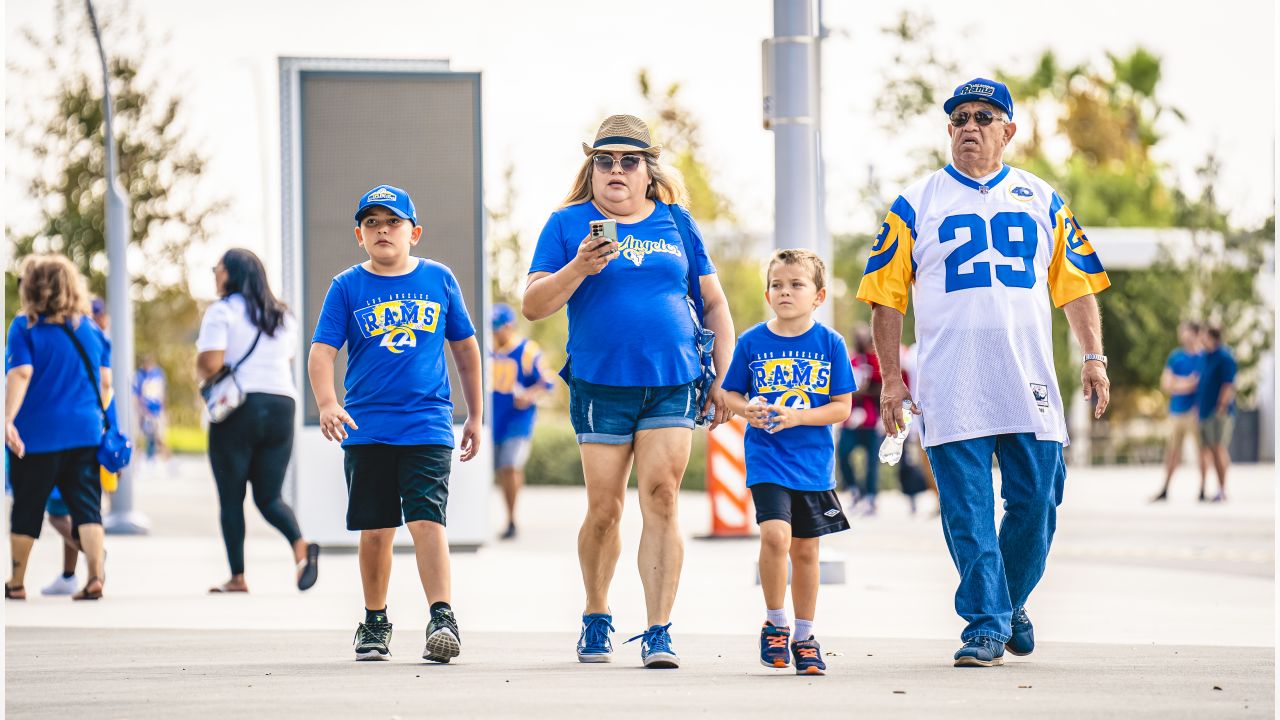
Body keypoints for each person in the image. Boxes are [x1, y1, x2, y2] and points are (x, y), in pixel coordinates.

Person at [856, 78, 1112, 667]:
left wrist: (1093, 357)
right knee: (967, 511)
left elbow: (1073, 287)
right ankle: (985, 626)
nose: (969, 127)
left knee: (1039, 500)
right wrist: (893, 380)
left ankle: (1006, 599)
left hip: (1030, 380)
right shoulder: (915, 202)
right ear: (949, 131)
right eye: (959, 119)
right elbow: (886, 299)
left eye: (982, 117)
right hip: (952, 380)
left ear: (1008, 130)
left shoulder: (1042, 198)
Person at [522, 115, 735, 668]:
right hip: (600, 383)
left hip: (673, 379)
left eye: (629, 161)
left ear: (647, 171)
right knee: (604, 510)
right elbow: (534, 304)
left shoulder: (676, 222)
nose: (616, 170)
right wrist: (578, 268)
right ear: (592, 169)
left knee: (662, 497)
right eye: (605, 160)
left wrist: (723, 377)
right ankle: (596, 613)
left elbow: (715, 304)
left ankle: (659, 630)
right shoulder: (567, 224)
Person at [309, 184, 483, 664]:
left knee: (428, 519)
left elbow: (466, 351)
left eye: (393, 222)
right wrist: (327, 403)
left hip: (427, 423)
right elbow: (322, 352)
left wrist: (475, 415)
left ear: (415, 232)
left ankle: (442, 616)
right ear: (359, 236)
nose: (382, 230)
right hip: (366, 427)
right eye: (372, 223)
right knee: (377, 528)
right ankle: (375, 620)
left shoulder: (439, 279)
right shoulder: (346, 286)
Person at [721, 249, 854, 676]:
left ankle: (804, 635)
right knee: (776, 537)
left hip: (813, 464)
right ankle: (775, 624)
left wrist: (799, 416)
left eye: (796, 285)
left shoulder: (829, 343)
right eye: (778, 284)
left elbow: (841, 408)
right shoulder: (752, 342)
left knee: (807, 550)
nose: (785, 292)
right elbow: (730, 394)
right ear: (767, 292)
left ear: (818, 296)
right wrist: (747, 410)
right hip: (767, 458)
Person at [197, 248, 319, 595]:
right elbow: (287, 356)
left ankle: (237, 576)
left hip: (240, 407)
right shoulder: (283, 316)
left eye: (216, 269)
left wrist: (203, 373)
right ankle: (300, 545)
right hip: (282, 404)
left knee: (231, 497)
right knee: (269, 496)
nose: (214, 274)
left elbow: (210, 363)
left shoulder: (221, 312)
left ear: (231, 274)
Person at [5, 254, 111, 601]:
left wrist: (7, 419)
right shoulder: (92, 330)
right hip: (84, 433)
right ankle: (95, 576)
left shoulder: (25, 327)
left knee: (28, 507)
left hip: (36, 436)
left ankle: (17, 583)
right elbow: (106, 384)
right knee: (86, 507)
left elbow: (21, 373)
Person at [490, 303, 555, 540]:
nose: (496, 332)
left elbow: (548, 382)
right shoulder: (488, 352)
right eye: (492, 327)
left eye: (499, 326)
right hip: (495, 421)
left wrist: (529, 395)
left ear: (510, 326)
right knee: (499, 470)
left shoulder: (527, 350)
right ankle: (505, 515)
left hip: (518, 420)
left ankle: (511, 519)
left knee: (509, 464)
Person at [1152, 322, 1204, 502]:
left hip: (1196, 413)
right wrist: (1187, 383)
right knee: (1172, 452)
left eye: (1186, 332)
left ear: (1195, 333)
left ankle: (1203, 490)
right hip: (1176, 412)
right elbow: (1166, 384)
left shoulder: (1203, 357)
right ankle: (1165, 489)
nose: (1182, 335)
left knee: (1201, 452)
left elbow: (1199, 383)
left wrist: (1178, 383)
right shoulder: (1175, 356)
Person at [837, 325, 881, 515]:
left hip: (871, 420)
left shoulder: (876, 361)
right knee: (843, 453)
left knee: (872, 461)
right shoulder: (851, 361)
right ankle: (854, 490)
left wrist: (866, 390)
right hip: (851, 419)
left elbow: (882, 387)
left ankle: (870, 496)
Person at [1196, 325, 1236, 502]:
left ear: (1211, 336)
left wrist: (1221, 407)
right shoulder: (1205, 356)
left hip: (1218, 411)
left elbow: (1228, 384)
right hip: (1204, 411)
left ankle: (1222, 489)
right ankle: (1211, 488)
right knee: (1209, 449)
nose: (1201, 338)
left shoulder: (1225, 356)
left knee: (1219, 448)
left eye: (1203, 335)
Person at [134, 354, 172, 468]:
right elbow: (137, 394)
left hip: (157, 410)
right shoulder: (139, 375)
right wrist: (141, 410)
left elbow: (163, 392)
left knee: (159, 436)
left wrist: (164, 408)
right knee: (141, 436)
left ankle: (167, 460)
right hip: (144, 411)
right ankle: (138, 460)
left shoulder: (158, 373)